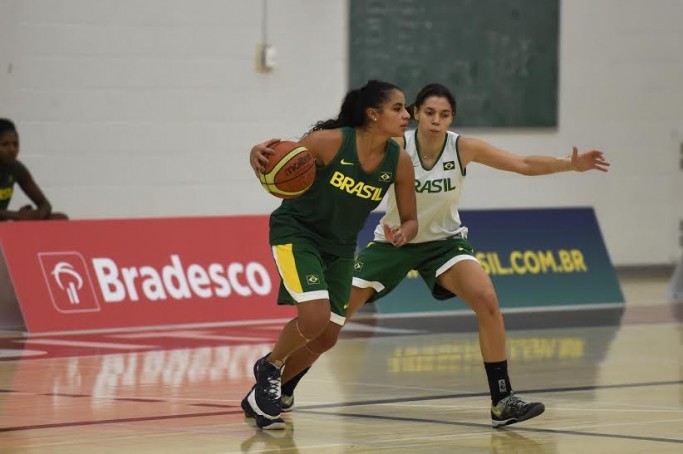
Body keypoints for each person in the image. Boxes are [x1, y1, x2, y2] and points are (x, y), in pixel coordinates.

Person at [275, 83, 611, 428]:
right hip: (393, 243)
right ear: (416, 113)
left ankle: (503, 400)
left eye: (445, 115)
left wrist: (569, 164)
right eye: (430, 113)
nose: (437, 121)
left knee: (487, 299)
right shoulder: (393, 146)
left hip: (444, 243)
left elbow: (522, 163)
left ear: (452, 119)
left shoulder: (462, 148)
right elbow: (342, 149)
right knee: (332, 322)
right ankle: (283, 386)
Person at [241, 80, 418, 430]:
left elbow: (411, 218)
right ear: (372, 114)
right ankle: (269, 367)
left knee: (327, 335)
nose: (407, 114)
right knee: (314, 317)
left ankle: (260, 395)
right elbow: (277, 160)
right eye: (398, 108)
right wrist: (255, 154)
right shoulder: (329, 143)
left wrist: (405, 232)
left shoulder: (400, 162)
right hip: (297, 234)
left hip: (339, 247)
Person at [0, 118, 68, 221]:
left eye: (15, 144)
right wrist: (16, 215)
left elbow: (45, 205)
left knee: (60, 218)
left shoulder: (17, 169)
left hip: (4, 222)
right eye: (5, 144)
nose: (12, 149)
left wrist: (34, 215)